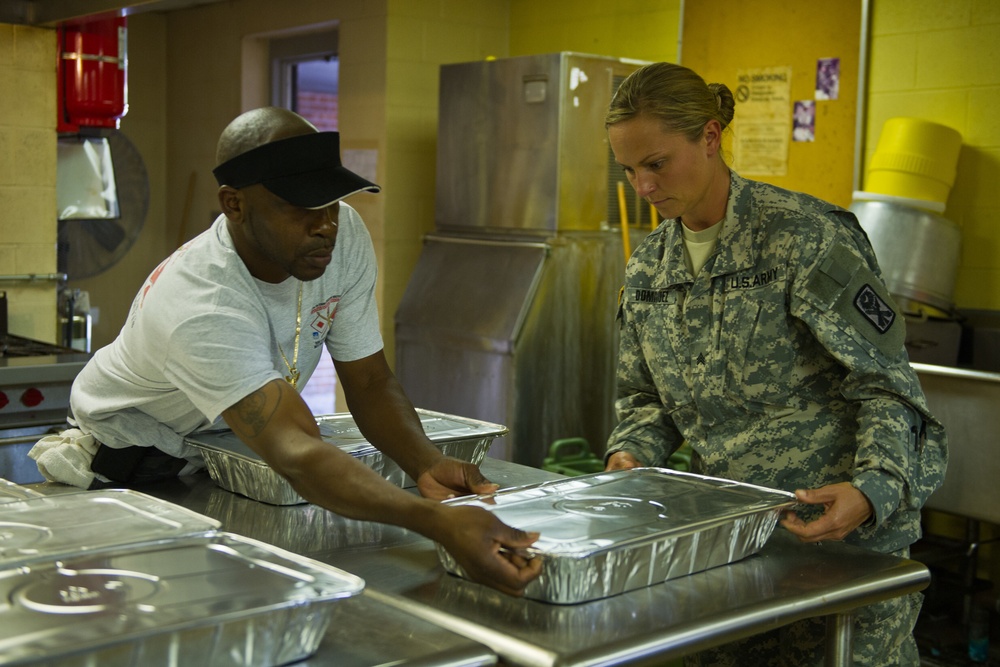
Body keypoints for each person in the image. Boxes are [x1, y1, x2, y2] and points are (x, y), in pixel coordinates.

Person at [30, 106, 542, 597]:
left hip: (214, 455)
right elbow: (295, 451)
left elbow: (368, 381)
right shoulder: (202, 304)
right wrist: (438, 523)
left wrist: (426, 464)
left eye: (332, 202)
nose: (326, 225)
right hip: (126, 474)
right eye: (299, 206)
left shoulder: (341, 239)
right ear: (234, 204)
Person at [602, 63, 947, 666]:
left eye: (656, 164)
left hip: (843, 546)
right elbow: (644, 400)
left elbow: (889, 385)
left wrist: (874, 489)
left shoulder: (805, 239)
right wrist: (631, 456)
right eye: (628, 171)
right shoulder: (649, 268)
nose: (644, 188)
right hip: (733, 545)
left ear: (710, 138)